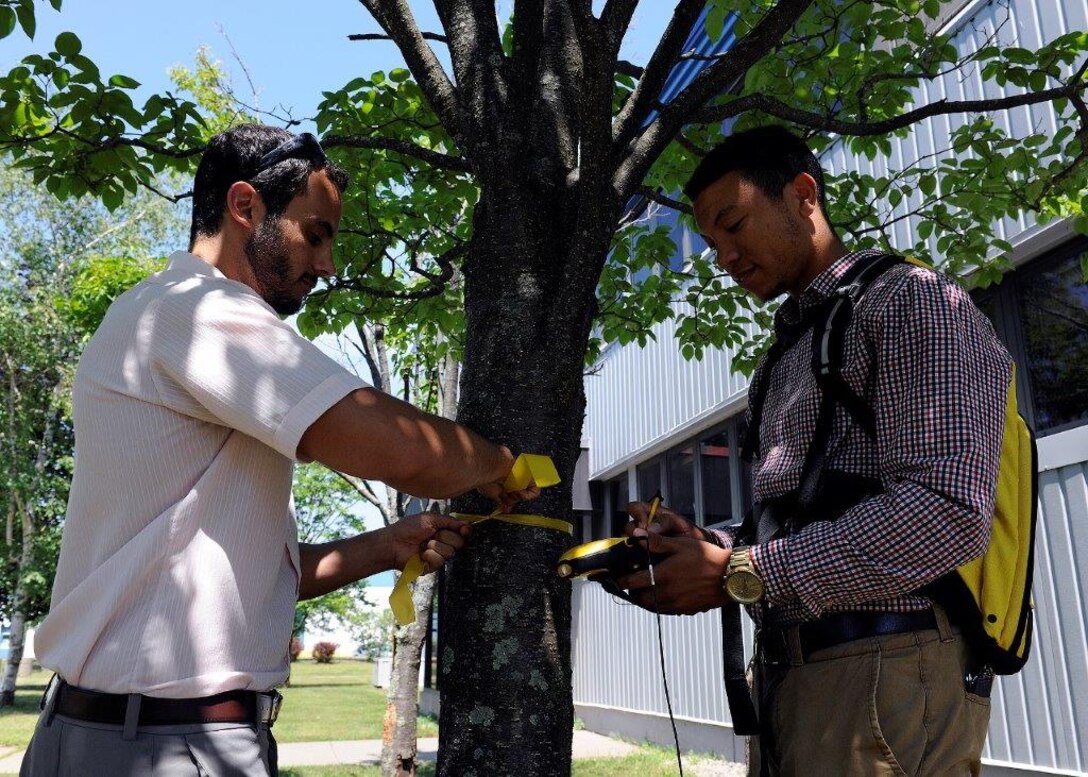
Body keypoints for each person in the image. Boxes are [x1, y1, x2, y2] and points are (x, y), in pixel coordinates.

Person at [22, 124, 535, 776]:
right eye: (315, 235)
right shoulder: (200, 311)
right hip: (158, 744)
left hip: (129, 735)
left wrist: (386, 546)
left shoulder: (164, 323)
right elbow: (394, 447)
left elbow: (260, 576)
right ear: (246, 207)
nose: (327, 265)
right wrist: (499, 464)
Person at [617, 125, 1010, 776]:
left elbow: (946, 509)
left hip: (882, 669)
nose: (725, 257)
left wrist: (740, 570)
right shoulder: (787, 352)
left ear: (803, 195)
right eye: (711, 244)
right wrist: (712, 544)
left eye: (734, 224)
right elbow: (805, 516)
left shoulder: (911, 301)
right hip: (790, 675)